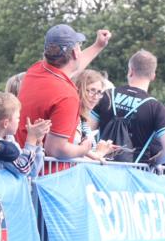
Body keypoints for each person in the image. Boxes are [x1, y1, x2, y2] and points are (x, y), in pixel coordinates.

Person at [15, 24, 113, 164]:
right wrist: (83, 149)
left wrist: (98, 45)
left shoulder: (35, 70)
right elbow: (55, 149)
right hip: (50, 173)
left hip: (23, 165)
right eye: (79, 46)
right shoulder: (67, 95)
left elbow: (71, 68)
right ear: (75, 53)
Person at [92, 49, 165, 166]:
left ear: (130, 71)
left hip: (100, 169)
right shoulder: (156, 107)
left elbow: (88, 132)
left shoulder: (107, 95)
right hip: (135, 171)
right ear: (153, 76)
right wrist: (155, 162)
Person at [0, 92, 48, 178]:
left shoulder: (9, 139)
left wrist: (37, 144)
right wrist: (31, 140)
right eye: (17, 118)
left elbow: (32, 172)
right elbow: (22, 169)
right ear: (6, 123)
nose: (19, 121)